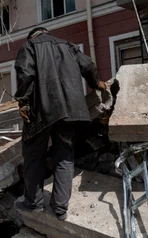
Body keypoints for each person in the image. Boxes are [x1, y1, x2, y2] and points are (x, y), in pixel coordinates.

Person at [14, 27, 106, 221]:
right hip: (71, 111)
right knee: (64, 155)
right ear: (47, 33)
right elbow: (88, 65)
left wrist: (23, 100)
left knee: (33, 156)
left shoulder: (29, 47)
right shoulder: (68, 46)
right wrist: (96, 82)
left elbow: (25, 74)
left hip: (42, 111)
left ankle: (34, 203)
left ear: (32, 36)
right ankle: (60, 209)